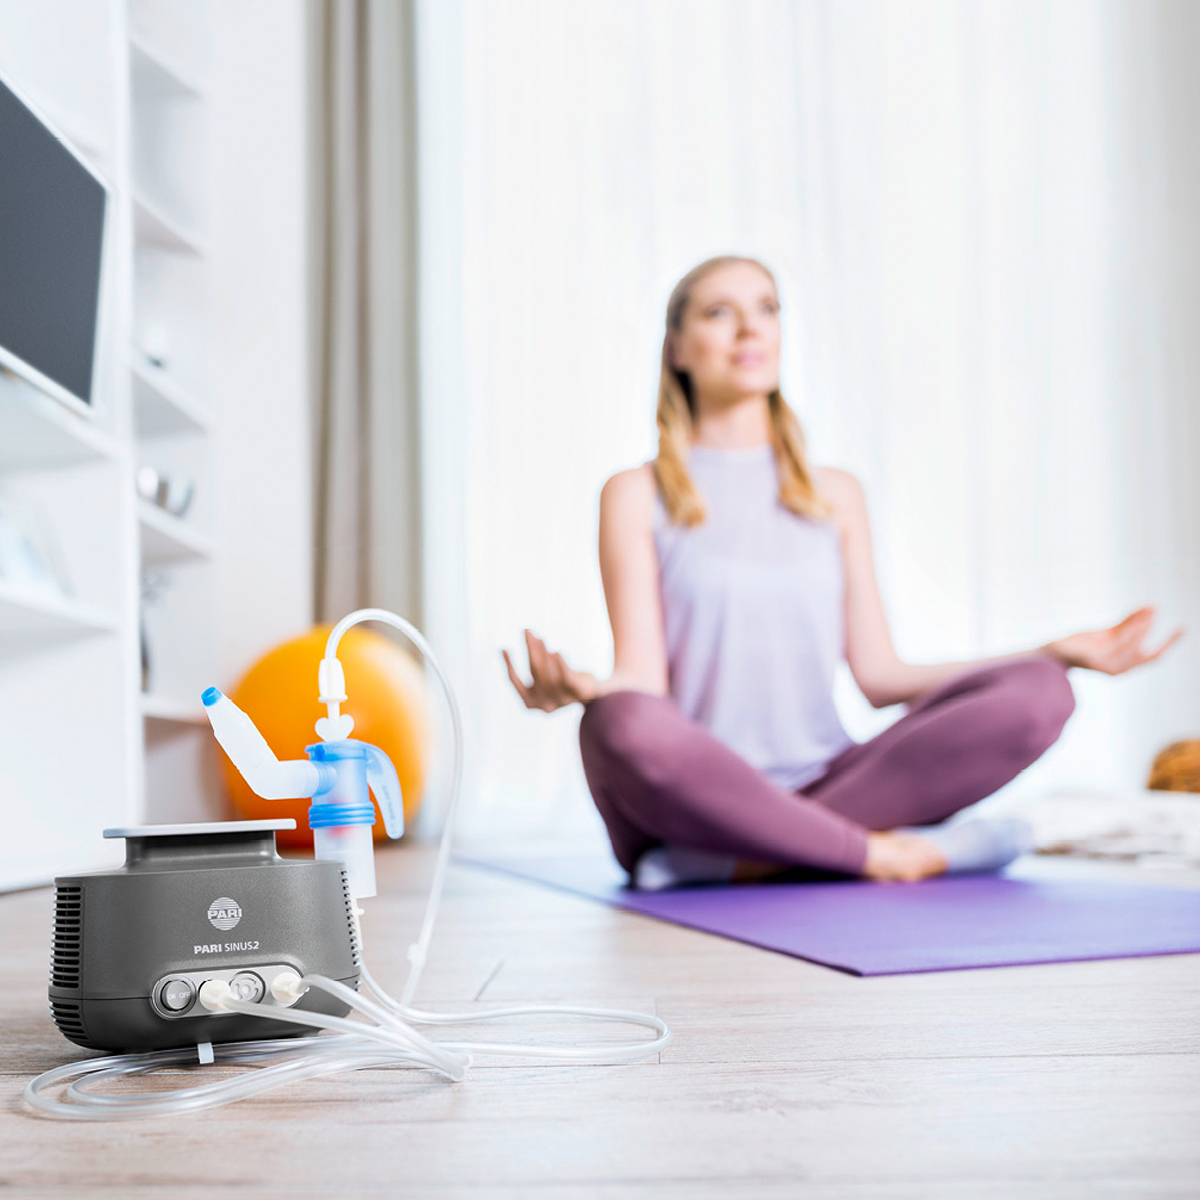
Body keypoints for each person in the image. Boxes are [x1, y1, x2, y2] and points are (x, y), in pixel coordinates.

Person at [502, 255, 1184, 889]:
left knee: (1042, 691)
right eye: (718, 311)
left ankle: (749, 860)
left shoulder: (836, 494)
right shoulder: (636, 493)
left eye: (767, 307)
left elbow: (881, 677)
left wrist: (1053, 653)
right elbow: (644, 684)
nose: (750, 327)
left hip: (831, 781)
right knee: (616, 723)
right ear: (676, 347)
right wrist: (587, 690)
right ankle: (879, 853)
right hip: (699, 794)